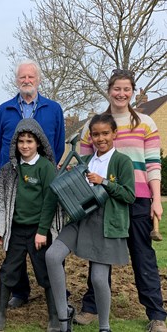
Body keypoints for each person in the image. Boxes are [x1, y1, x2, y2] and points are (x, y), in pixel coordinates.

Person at [78, 70, 167, 332]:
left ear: (132, 91)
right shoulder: (92, 126)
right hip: (103, 199)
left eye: (126, 89)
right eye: (117, 89)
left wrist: (156, 199)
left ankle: (156, 315)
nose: (121, 94)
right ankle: (92, 307)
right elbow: (84, 165)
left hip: (137, 198)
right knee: (99, 254)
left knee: (143, 257)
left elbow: (153, 164)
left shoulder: (146, 123)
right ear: (109, 90)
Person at [46, 113, 136, 332]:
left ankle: (104, 326)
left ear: (115, 133)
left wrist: (103, 181)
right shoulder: (85, 160)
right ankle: (63, 316)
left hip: (105, 222)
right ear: (91, 137)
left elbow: (129, 196)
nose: (100, 138)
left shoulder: (122, 161)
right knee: (52, 256)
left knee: (97, 278)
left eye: (105, 133)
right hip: (80, 219)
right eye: (96, 134)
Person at [0, 58, 65, 309]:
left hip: (42, 178)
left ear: (38, 80)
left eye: (31, 77)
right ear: (17, 80)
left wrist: (46, 169)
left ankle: (55, 291)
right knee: (16, 240)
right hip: (14, 180)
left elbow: (57, 145)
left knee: (46, 239)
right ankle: (20, 291)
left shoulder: (53, 109)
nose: (26, 81)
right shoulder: (5, 110)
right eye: (22, 77)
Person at [0, 118, 59, 332]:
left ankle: (55, 318)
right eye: (21, 141)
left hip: (39, 232)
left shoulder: (45, 167)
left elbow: (51, 201)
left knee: (45, 273)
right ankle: (0, 316)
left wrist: (41, 231)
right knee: (8, 272)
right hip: (17, 231)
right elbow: (1, 201)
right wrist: (1, 229)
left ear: (38, 143)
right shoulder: (9, 170)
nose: (25, 146)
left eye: (29, 141)